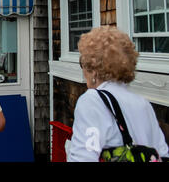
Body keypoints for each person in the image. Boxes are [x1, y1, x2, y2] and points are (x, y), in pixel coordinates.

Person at [67, 26, 169, 162]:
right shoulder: (143, 104)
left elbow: (82, 157)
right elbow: (162, 154)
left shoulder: (92, 101)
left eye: (83, 64)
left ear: (94, 70)